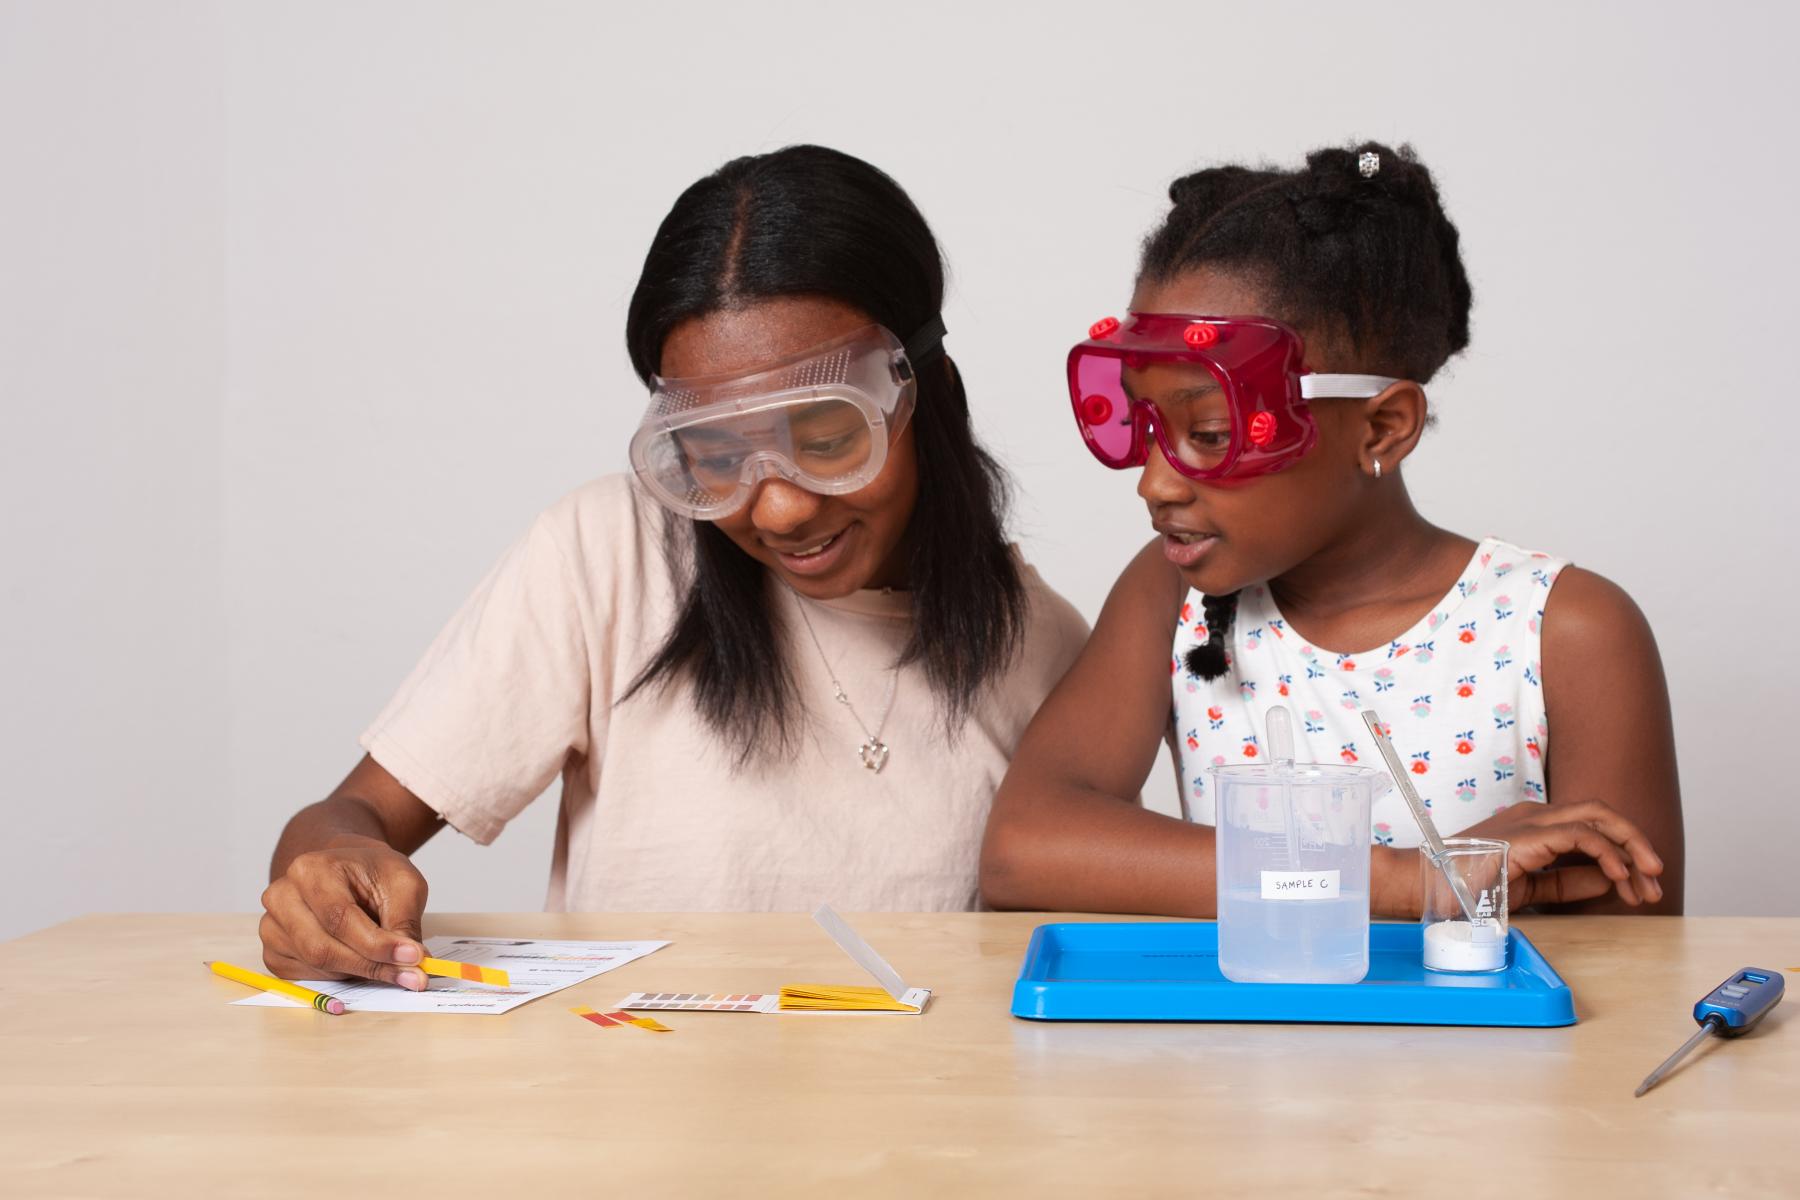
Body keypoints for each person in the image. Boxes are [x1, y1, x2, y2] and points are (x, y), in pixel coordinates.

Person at [260, 145, 1089, 989]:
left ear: (924, 390)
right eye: (716, 456)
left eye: (829, 438)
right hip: (629, 1108)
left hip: (921, 1115)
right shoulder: (609, 554)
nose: (778, 509)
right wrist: (331, 871)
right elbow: (348, 816)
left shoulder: (1047, 650)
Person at [982, 142, 1682, 918]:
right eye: (1147, 426)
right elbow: (1023, 850)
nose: (1153, 480)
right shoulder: (1171, 594)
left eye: (1210, 434)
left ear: (1382, 427)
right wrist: (1406, 879)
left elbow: (1633, 967)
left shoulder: (1565, 631)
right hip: (1234, 1042)